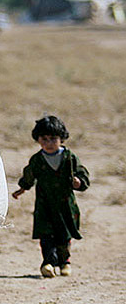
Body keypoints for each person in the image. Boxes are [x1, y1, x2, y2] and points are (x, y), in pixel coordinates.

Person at [12, 115, 89, 278]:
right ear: (38, 140)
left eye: (53, 139)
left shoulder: (69, 157)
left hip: (65, 205)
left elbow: (82, 174)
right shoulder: (37, 159)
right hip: (44, 204)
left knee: (64, 235)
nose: (48, 143)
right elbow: (29, 177)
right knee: (46, 235)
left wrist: (79, 182)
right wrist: (22, 189)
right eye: (44, 139)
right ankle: (48, 263)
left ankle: (64, 263)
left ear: (61, 139)